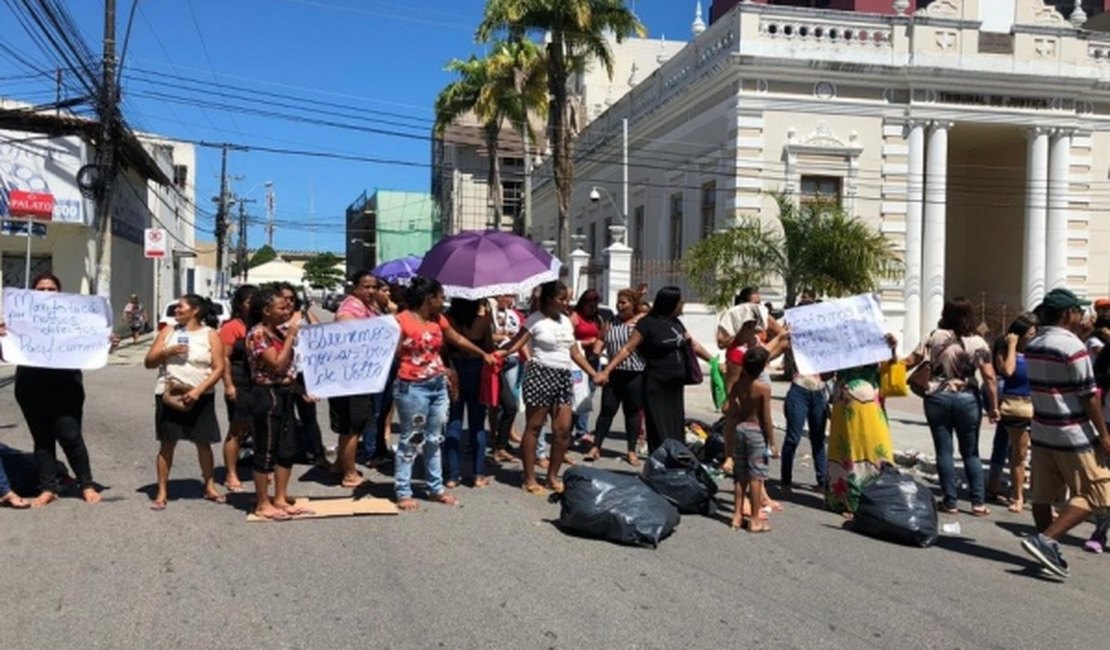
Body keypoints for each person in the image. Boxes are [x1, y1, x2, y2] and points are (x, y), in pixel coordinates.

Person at [1020, 288, 1110, 578]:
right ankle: (1046, 540)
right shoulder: (1073, 347)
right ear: (1067, 314)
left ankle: (1045, 545)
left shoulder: (1033, 344)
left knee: (1043, 496)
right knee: (1099, 494)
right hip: (1073, 433)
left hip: (1043, 428)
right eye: (1078, 310)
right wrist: (1104, 435)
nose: (1083, 315)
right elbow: (1089, 396)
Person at [392, 277, 495, 511]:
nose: (444, 300)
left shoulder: (439, 319)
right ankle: (403, 490)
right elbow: (392, 351)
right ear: (430, 299)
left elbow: (457, 339)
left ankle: (436, 487)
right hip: (412, 388)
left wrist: (482, 353)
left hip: (437, 387)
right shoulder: (401, 320)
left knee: (434, 438)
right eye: (440, 296)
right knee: (411, 439)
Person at [1, 273, 103, 506]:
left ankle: (86, 484)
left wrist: (105, 341)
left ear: (60, 292)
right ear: (33, 292)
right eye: (41, 289)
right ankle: (49, 488)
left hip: (66, 384)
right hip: (30, 385)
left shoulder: (72, 314)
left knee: (71, 435)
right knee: (42, 439)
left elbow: (92, 340)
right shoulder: (18, 316)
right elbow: (5, 351)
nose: (46, 293)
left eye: (51, 289)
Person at [499, 281, 605, 495]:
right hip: (540, 374)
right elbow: (517, 344)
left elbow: (574, 352)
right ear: (549, 299)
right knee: (535, 427)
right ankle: (528, 477)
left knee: (563, 430)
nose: (566, 303)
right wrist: (496, 354)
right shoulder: (534, 320)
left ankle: (552, 477)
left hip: (563, 376)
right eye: (562, 299)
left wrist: (594, 373)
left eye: (567, 299)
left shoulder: (566, 321)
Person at [904, 298, 999, 516]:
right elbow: (989, 376)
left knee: (944, 450)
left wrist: (887, 364)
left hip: (937, 396)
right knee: (971, 452)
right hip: (967, 397)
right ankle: (978, 503)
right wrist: (994, 407)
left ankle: (950, 501)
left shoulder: (933, 337)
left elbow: (911, 360)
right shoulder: (978, 342)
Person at [600, 286, 713, 453]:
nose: (682, 304)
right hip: (656, 384)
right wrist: (607, 370)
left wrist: (714, 362)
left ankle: (674, 460)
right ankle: (659, 462)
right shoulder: (647, 323)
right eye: (679, 302)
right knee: (658, 425)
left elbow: (693, 345)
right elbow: (627, 349)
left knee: (675, 423)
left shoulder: (676, 323)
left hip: (674, 386)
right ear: (669, 303)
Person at [143, 294, 227, 510]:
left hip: (200, 395)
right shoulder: (168, 331)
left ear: (196, 310)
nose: (176, 310)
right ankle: (162, 491)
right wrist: (166, 351)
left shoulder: (210, 334)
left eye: (181, 307)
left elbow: (218, 367)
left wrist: (199, 391)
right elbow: (149, 362)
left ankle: (209, 486)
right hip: (170, 393)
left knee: (203, 442)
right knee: (167, 442)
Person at [245, 287, 310, 520]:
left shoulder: (278, 333)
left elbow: (289, 372)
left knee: (287, 448)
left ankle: (280, 497)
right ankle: (263, 502)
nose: (287, 311)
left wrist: (302, 390)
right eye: (281, 307)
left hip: (284, 393)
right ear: (266, 311)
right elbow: (277, 365)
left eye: (288, 307)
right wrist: (292, 335)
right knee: (266, 449)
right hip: (266, 395)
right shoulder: (259, 333)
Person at [825, 334, 899, 515]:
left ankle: (880, 497)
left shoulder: (876, 338)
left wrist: (893, 349)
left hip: (869, 406)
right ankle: (849, 500)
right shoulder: (839, 342)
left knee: (875, 447)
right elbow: (825, 374)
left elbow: (890, 366)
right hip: (846, 406)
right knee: (848, 449)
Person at [329, 271, 381, 488]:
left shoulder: (367, 308)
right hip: (351, 378)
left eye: (373, 287)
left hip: (358, 376)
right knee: (353, 427)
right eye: (366, 287)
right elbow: (346, 328)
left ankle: (340, 464)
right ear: (355, 288)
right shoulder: (350, 308)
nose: (370, 291)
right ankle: (349, 473)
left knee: (349, 427)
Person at [985, 315, 1037, 513]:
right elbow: (1007, 371)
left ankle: (1037, 496)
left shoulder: (1037, 352)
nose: (1033, 338)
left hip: (1036, 406)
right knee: (1018, 454)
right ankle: (1017, 496)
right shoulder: (1008, 350)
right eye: (1030, 334)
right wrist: (1013, 346)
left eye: (1035, 334)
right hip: (1015, 406)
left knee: (1038, 455)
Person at [588, 288, 645, 465]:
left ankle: (631, 450)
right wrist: (596, 351)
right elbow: (601, 339)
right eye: (618, 302)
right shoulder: (611, 321)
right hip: (613, 373)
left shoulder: (641, 322)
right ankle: (596, 446)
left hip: (634, 373)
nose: (619, 306)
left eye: (624, 303)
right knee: (606, 410)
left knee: (632, 413)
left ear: (633, 304)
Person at [780, 291, 829, 493]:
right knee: (793, 437)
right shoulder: (794, 338)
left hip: (819, 392)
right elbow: (779, 340)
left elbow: (829, 372)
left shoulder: (826, 340)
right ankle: (785, 480)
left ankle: (822, 481)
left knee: (818, 439)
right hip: (799, 390)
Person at [444, 298, 496, 488]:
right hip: (476, 371)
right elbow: (489, 348)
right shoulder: (483, 322)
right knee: (477, 424)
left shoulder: (447, 320)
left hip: (454, 369)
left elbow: (443, 349)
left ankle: (452, 474)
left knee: (453, 422)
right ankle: (478, 473)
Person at [722, 347, 774, 532]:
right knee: (756, 477)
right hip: (755, 431)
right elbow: (766, 418)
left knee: (740, 474)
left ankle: (736, 515)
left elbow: (727, 406)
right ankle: (754, 519)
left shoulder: (738, 385)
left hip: (740, 428)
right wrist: (773, 442)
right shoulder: (762, 388)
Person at [275, 282, 324, 468]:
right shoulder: (276, 317)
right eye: (284, 298)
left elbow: (322, 332)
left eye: (291, 298)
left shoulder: (303, 315)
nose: (288, 302)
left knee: (309, 415)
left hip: (304, 370)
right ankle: (284, 455)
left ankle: (318, 453)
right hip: (284, 371)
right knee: (283, 415)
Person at [219, 284, 258, 492]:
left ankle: (259, 470)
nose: (251, 305)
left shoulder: (261, 325)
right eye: (248, 301)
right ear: (239, 304)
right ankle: (231, 474)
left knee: (258, 427)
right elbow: (223, 358)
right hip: (239, 381)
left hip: (258, 383)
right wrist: (229, 385)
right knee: (237, 429)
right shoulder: (231, 327)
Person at [489, 294, 527, 463]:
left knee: (510, 403)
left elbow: (520, 336)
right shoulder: (489, 311)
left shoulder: (512, 314)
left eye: (511, 296)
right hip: (493, 361)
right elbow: (486, 337)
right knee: (495, 404)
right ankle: (496, 441)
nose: (508, 299)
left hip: (511, 359)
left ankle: (501, 445)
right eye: (505, 296)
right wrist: (497, 336)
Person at [570, 288, 605, 443]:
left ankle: (581, 430)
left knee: (588, 395)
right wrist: (585, 343)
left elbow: (602, 337)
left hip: (593, 361)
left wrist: (598, 345)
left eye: (595, 303)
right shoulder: (575, 317)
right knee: (575, 393)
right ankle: (570, 429)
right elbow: (568, 339)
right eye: (589, 303)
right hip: (577, 363)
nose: (592, 306)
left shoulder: (598, 319)